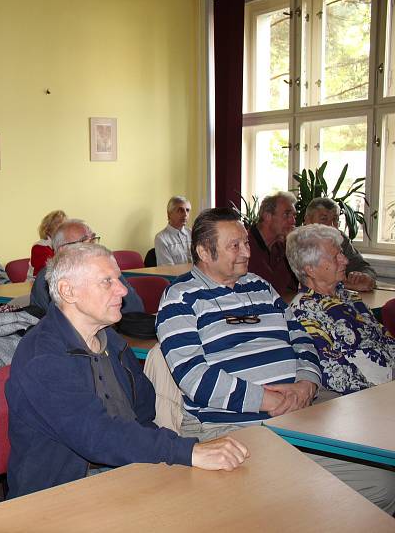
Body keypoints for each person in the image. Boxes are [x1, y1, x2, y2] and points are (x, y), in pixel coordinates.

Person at [156, 207, 395, 513]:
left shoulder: (259, 287)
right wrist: (266, 400)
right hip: (232, 429)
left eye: (246, 242)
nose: (246, 252)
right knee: (378, 486)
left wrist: (307, 383)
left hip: (299, 412)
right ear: (204, 250)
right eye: (235, 246)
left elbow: (301, 339)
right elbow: (195, 379)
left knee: (382, 473)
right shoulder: (180, 298)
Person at [6, 243, 248, 498]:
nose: (123, 289)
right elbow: (96, 436)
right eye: (107, 281)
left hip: (125, 470)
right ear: (68, 291)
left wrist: (180, 454)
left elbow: (143, 414)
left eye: (119, 279)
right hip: (60, 494)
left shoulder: (111, 340)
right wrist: (186, 452)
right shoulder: (42, 357)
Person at [286, 224, 394, 395]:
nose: (345, 260)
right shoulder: (303, 313)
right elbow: (339, 376)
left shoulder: (349, 297)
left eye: (342, 254)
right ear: (310, 269)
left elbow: (385, 341)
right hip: (367, 398)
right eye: (336, 257)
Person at [29, 219, 143, 315]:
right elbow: (42, 322)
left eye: (93, 239)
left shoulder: (106, 269)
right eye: (83, 242)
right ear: (62, 251)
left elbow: (135, 310)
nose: (92, 246)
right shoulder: (46, 279)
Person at [304, 197, 376, 292]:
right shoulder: (297, 242)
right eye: (324, 219)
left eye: (335, 219)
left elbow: (364, 267)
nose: (332, 226)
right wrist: (346, 285)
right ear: (307, 220)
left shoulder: (340, 239)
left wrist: (365, 277)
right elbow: (304, 282)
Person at [247, 191, 298, 296]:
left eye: (293, 216)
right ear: (267, 216)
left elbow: (295, 285)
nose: (292, 221)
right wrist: (290, 248)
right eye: (287, 214)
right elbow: (271, 291)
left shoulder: (279, 245)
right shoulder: (246, 245)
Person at [28, 209, 66, 279]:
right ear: (48, 229)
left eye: (65, 224)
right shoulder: (40, 247)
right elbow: (51, 274)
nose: (63, 228)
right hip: (39, 285)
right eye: (58, 224)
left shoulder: (63, 245)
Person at [154, 196, 192, 265]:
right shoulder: (161, 238)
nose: (185, 214)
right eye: (180, 210)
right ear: (169, 214)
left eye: (187, 210)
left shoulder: (192, 233)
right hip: (176, 275)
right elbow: (168, 270)